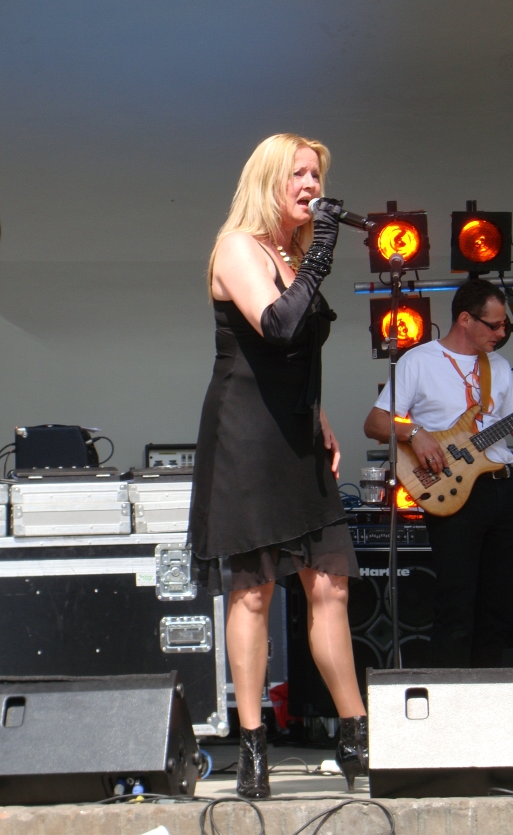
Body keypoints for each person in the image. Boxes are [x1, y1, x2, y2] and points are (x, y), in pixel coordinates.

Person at [189, 134, 367, 798]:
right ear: (268, 180)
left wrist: (319, 416)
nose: (311, 186)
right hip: (247, 436)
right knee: (254, 589)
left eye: (316, 175)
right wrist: (321, 252)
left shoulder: (292, 257)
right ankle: (253, 746)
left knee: (331, 584)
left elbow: (298, 359)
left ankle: (356, 736)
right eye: (298, 174)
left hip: (296, 433)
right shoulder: (238, 248)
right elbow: (279, 328)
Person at [364, 278, 513, 668]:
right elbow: (375, 422)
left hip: (502, 486)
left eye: (505, 325)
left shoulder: (499, 367)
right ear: (465, 319)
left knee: (499, 607)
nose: (501, 333)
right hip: (453, 489)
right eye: (494, 325)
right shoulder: (419, 361)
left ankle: (490, 698)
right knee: (456, 604)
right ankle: (450, 697)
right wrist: (415, 433)